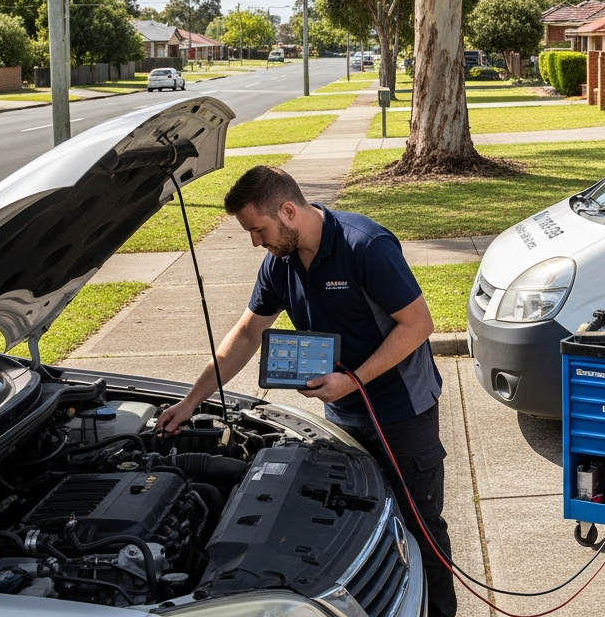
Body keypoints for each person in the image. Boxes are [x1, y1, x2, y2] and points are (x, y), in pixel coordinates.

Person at [154, 166, 456, 617]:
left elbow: (418, 325)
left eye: (258, 229)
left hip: (401, 414)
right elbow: (247, 334)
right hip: (342, 416)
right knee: (355, 529)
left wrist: (353, 380)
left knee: (420, 530)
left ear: (289, 211)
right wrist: (190, 401)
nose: (256, 242)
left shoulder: (365, 246)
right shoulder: (280, 264)